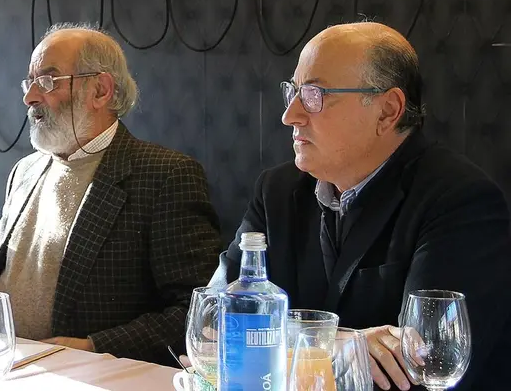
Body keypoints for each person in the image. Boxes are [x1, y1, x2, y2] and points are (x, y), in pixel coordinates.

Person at [212, 22, 511, 390]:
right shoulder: (276, 189)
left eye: (314, 94)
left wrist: (277, 342)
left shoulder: (460, 200)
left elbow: (429, 365)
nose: (290, 115)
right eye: (293, 91)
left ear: (387, 110)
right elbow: (215, 324)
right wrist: (340, 344)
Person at [0, 24, 221, 366]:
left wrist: (93, 346)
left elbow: (198, 311)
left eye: (48, 81)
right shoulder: (25, 171)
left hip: (87, 377)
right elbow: (4, 270)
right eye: (30, 82)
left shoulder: (164, 174)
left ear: (100, 90)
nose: (30, 97)